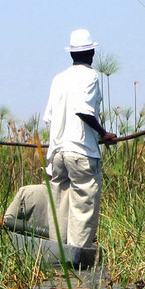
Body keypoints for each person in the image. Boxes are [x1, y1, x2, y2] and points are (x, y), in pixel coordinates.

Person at [42, 29, 116, 267]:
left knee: (61, 204)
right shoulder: (91, 76)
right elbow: (84, 111)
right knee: (83, 206)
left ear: (72, 54)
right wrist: (103, 133)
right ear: (92, 52)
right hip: (81, 152)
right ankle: (77, 264)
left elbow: (50, 118)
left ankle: (56, 259)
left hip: (58, 154)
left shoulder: (59, 78)